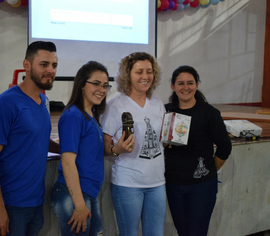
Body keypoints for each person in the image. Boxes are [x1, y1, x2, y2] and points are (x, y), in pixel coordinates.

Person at [0, 41, 60, 236]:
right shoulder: (5, 104)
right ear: (27, 65)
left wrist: (67, 151)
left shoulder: (44, 101)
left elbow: (39, 138)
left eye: (54, 65)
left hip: (35, 201)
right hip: (10, 204)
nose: (50, 70)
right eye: (44, 64)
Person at [101, 52, 166, 236]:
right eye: (139, 72)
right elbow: (105, 144)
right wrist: (116, 149)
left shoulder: (158, 103)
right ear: (127, 74)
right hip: (128, 183)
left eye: (149, 71)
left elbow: (162, 138)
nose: (145, 77)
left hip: (157, 182)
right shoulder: (115, 106)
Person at [164, 65, 232, 236]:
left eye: (190, 83)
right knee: (182, 231)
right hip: (173, 184)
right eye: (180, 83)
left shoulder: (208, 113)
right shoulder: (166, 111)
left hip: (201, 186)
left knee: (196, 232)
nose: (185, 87)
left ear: (197, 84)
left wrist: (210, 169)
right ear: (173, 86)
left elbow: (225, 146)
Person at [50, 61, 111, 236]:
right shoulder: (73, 116)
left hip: (89, 193)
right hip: (74, 196)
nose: (102, 89)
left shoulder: (91, 114)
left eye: (105, 85)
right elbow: (68, 162)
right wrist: (78, 205)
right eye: (96, 84)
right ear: (82, 85)